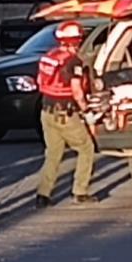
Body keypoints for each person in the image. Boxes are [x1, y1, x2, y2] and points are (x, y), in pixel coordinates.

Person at [34, 21, 98, 207]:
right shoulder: (73, 62)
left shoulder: (49, 57)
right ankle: (80, 191)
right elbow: (77, 91)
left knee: (53, 153)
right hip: (65, 113)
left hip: (47, 112)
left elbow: (40, 81)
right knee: (86, 148)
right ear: (76, 41)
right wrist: (87, 111)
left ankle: (43, 194)